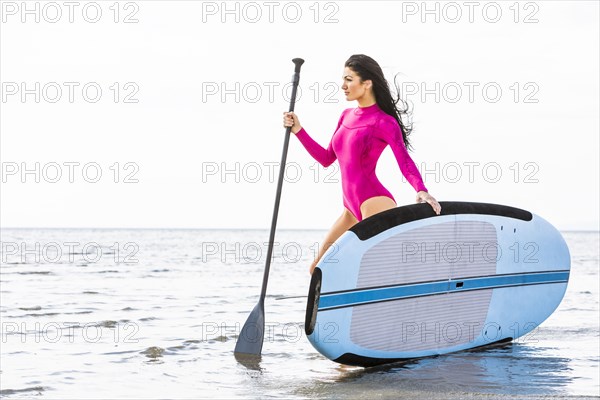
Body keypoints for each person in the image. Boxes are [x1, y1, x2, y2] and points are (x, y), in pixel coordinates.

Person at [283, 54, 441, 275]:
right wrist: (299, 130)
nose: (343, 86)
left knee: (373, 271)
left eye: (349, 79)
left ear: (367, 83)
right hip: (350, 209)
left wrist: (421, 190)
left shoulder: (384, 122)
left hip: (374, 203)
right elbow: (327, 158)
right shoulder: (345, 116)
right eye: (343, 79)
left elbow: (404, 160)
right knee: (318, 269)